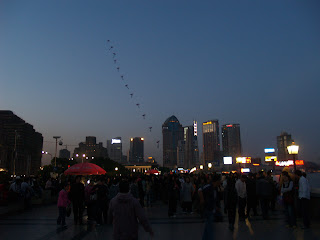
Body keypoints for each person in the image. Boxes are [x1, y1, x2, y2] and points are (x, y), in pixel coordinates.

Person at [198, 174, 215, 240]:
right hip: (208, 207)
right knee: (209, 225)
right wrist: (202, 199)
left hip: (209, 207)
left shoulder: (210, 186)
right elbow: (199, 190)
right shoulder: (207, 186)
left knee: (208, 225)